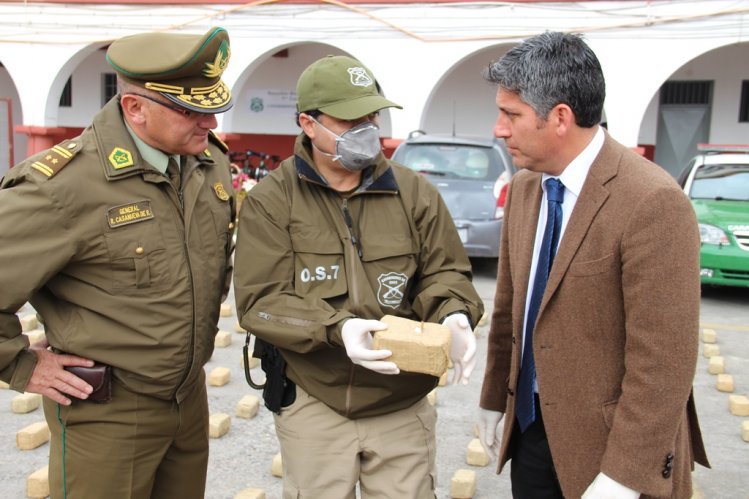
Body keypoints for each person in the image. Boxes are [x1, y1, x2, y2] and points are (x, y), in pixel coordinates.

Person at [233, 54, 484, 498]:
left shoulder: (414, 193)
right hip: (315, 398)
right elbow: (261, 302)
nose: (367, 128)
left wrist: (455, 313)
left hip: (401, 403)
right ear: (308, 124)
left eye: (371, 114)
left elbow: (445, 272)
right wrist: (337, 328)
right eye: (350, 119)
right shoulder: (272, 200)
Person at [0, 27, 235, 499]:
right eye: (191, 110)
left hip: (188, 401)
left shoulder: (207, 164)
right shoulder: (63, 186)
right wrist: (20, 365)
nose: (208, 123)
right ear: (135, 108)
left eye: (213, 108)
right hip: (107, 412)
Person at [476, 32, 710, 498]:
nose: (498, 128)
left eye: (511, 115)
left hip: (611, 449)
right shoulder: (526, 188)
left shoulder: (652, 201)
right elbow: (510, 309)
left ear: (560, 117)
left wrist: (625, 474)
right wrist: (491, 400)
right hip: (531, 433)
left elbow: (664, 361)